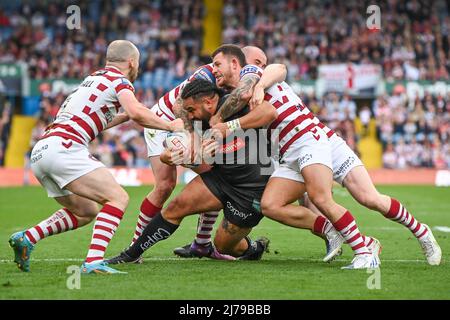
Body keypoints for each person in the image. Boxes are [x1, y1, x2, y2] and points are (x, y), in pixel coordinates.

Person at [212, 48, 441, 266]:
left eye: (217, 64)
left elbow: (278, 67)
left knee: (362, 198)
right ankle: (359, 241)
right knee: (271, 205)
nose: (214, 70)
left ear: (239, 62)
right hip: (298, 148)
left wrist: (224, 119)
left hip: (308, 139)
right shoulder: (235, 93)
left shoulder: (252, 74)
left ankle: (414, 234)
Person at [8, 40, 184, 274]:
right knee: (118, 198)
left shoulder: (91, 79)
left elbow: (93, 117)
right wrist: (170, 125)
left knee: (86, 211)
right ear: (132, 62)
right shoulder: (120, 81)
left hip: (42, 152)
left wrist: (122, 118)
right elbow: (136, 112)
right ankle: (92, 262)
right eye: (138, 64)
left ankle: (28, 237)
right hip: (65, 148)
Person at [128, 46, 287, 260]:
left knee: (213, 172)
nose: (259, 69)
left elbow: (274, 74)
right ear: (238, 60)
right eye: (256, 63)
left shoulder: (242, 77)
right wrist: (194, 135)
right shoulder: (209, 75)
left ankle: (201, 244)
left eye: (262, 65)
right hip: (167, 122)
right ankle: (136, 245)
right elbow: (179, 106)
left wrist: (218, 122)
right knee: (166, 185)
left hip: (196, 125)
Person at [106, 79, 277, 264]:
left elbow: (269, 111)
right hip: (221, 180)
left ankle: (255, 248)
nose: (190, 115)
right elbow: (174, 150)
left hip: (251, 189)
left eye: (191, 109)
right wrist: (167, 158)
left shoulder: (232, 103)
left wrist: (229, 127)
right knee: (175, 207)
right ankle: (131, 255)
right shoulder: (197, 122)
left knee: (224, 246)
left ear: (209, 102)